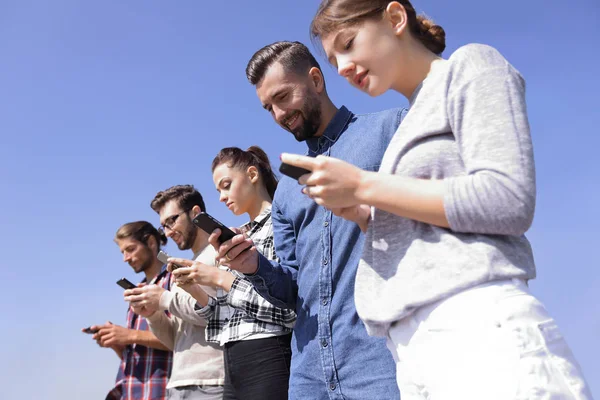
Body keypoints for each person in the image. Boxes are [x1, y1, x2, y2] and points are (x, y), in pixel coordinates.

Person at [273, 1, 594, 398]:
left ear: (394, 18)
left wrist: (364, 187)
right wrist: (363, 216)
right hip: (415, 353)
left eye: (350, 44)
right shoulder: (411, 117)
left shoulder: (472, 66)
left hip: (479, 332)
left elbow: (508, 198)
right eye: (334, 58)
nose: (343, 66)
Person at [209, 41, 406, 399]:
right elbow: (293, 288)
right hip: (308, 376)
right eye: (268, 107)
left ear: (316, 79)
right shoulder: (285, 191)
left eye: (283, 97)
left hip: (381, 363)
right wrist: (255, 267)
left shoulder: (390, 131)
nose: (279, 114)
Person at [166, 146, 296, 400]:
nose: (222, 197)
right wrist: (194, 285)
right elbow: (225, 315)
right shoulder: (236, 235)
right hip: (231, 360)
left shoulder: (280, 225)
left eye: (226, 185)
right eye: (218, 191)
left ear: (252, 174)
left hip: (270, 355)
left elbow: (286, 310)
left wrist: (219, 278)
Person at [124, 186, 225, 399]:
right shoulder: (182, 265)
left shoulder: (220, 254)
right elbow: (174, 340)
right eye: (164, 226)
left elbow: (220, 317)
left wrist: (164, 298)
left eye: (172, 221)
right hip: (178, 383)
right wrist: (152, 313)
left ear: (195, 213)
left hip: (212, 382)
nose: (168, 232)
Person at [85, 221, 173, 400]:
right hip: (134, 392)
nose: (126, 258)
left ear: (151, 242)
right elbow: (138, 353)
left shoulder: (174, 280)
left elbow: (181, 338)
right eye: (123, 252)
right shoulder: (137, 289)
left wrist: (129, 335)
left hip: (163, 392)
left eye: (130, 249)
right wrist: (117, 342)